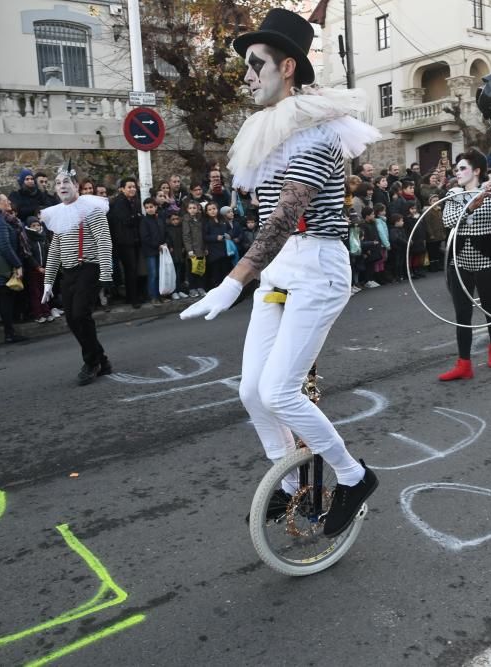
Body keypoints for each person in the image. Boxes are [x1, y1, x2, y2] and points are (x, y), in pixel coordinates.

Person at [180, 8, 381, 537]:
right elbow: (270, 218)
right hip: (281, 270)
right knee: (251, 391)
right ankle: (290, 485)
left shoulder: (316, 133)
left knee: (281, 393)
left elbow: (288, 213)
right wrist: (252, 274)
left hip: (317, 267)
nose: (247, 76)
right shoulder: (268, 130)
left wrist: (233, 280)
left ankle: (353, 476)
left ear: (287, 67)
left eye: (256, 64)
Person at [438, 148, 491, 381]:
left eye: (463, 168)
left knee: (490, 308)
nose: (457, 172)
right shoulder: (453, 194)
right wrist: (471, 206)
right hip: (459, 261)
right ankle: (464, 363)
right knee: (462, 314)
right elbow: (448, 220)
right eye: (456, 169)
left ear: (476, 170)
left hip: (487, 258)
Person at [40, 162, 114, 385]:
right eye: (58, 183)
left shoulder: (92, 210)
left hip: (89, 267)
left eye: (66, 182)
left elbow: (104, 240)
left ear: (76, 186)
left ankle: (91, 363)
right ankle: (101, 359)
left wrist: (106, 273)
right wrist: (48, 283)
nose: (62, 186)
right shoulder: (58, 214)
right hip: (69, 272)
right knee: (72, 319)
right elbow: (54, 249)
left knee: (80, 313)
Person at [0, 194, 28, 344]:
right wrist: (18, 265)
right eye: (4, 200)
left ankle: (10, 331)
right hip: (3, 267)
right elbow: (5, 246)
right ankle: (9, 333)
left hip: (4, 265)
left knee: (7, 299)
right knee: (6, 299)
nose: (8, 202)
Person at [108, 177, 145, 308]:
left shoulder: (133, 201)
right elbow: (126, 221)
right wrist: (137, 217)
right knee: (130, 270)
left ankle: (132, 296)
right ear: (122, 189)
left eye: (134, 187)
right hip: (124, 242)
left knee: (133, 270)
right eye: (129, 187)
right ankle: (133, 299)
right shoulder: (119, 202)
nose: (132, 189)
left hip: (132, 240)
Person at [139, 197, 168, 305]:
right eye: (147, 208)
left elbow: (164, 233)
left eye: (151, 207)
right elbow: (145, 238)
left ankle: (160, 295)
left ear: (156, 207)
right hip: (150, 252)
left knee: (161, 274)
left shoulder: (159, 219)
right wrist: (157, 246)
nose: (149, 209)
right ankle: (153, 296)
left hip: (161, 251)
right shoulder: (144, 221)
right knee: (153, 274)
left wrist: (165, 243)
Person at [24, 216, 53, 322]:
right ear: (29, 227)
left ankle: (46, 311)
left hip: (44, 268)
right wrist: (37, 267)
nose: (36, 227)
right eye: (33, 226)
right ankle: (38, 313)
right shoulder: (27, 238)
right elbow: (28, 255)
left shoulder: (43, 237)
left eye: (37, 225)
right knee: (35, 292)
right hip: (33, 270)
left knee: (44, 290)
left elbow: (47, 252)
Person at [181, 199, 206, 297]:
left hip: (201, 248)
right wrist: (189, 250)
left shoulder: (200, 219)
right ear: (187, 209)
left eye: (194, 208)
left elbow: (203, 234)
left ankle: (200, 287)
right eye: (190, 208)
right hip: (192, 250)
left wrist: (205, 247)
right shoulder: (186, 220)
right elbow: (186, 236)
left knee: (200, 270)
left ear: (198, 209)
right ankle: (192, 289)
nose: (192, 210)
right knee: (191, 270)